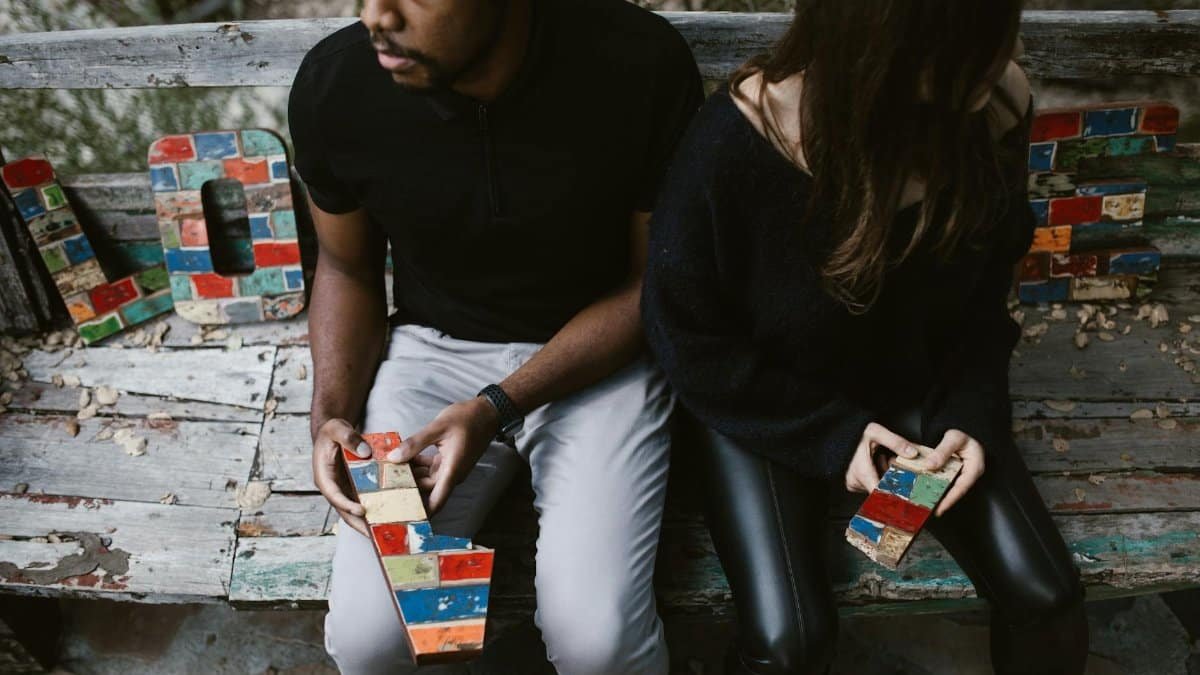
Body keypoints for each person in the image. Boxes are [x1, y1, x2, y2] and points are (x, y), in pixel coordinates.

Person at [641, 2, 1089, 673]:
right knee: (791, 639)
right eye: (974, 48)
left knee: (1047, 595)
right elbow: (687, 339)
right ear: (889, 52)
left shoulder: (992, 107)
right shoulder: (737, 142)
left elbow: (980, 306)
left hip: (914, 384)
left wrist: (971, 411)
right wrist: (831, 434)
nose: (1002, 61)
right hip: (766, 397)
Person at [286, 0, 702, 672]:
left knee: (597, 643)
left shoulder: (636, 63)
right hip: (430, 356)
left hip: (599, 360)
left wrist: (496, 407)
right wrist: (331, 414)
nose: (376, 16)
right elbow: (346, 266)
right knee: (371, 640)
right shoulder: (338, 84)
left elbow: (650, 284)